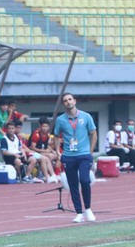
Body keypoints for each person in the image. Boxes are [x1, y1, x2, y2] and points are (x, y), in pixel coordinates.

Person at [53, 92, 97, 223]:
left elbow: (93, 134)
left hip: (83, 155)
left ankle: (88, 208)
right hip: (68, 156)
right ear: (63, 104)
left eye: (70, 99)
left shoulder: (86, 116)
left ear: (75, 101)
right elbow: (56, 135)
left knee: (84, 180)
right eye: (65, 101)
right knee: (73, 185)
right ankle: (79, 212)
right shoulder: (61, 120)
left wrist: (90, 151)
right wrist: (57, 151)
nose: (68, 102)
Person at [28, 118, 59, 183]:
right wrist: (44, 151)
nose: (45, 128)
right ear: (40, 126)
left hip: (40, 152)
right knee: (48, 157)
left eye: (46, 126)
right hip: (32, 152)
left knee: (57, 155)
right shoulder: (36, 134)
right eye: (43, 126)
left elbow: (46, 145)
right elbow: (32, 147)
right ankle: (47, 176)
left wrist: (52, 150)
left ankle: (55, 174)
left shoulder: (47, 134)